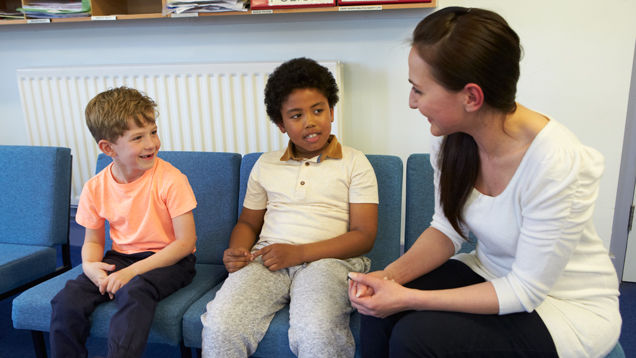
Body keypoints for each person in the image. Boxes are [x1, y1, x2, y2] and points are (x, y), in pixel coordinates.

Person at [348, 7, 621, 358]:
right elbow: (448, 228)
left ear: (471, 97)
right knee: (378, 308)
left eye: (419, 90)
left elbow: (525, 290)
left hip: (563, 307)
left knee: (414, 335)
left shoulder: (557, 163)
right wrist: (388, 279)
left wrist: (411, 297)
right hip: (491, 274)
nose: (412, 102)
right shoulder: (451, 136)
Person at [201, 57, 379, 358]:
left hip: (329, 262)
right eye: (296, 115)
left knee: (317, 330)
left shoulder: (354, 162)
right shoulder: (265, 164)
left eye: (318, 110)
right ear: (281, 124)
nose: (310, 121)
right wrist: (238, 251)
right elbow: (247, 224)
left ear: (332, 112)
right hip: (267, 258)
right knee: (221, 324)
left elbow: (364, 235)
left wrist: (299, 253)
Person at [49, 87, 198, 358]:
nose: (151, 143)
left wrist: (132, 272)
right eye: (138, 138)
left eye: (153, 132)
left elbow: (186, 243)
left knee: (136, 290)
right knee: (66, 299)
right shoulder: (95, 187)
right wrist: (91, 267)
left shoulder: (172, 179)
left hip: (172, 260)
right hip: (121, 257)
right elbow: (93, 241)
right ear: (108, 148)